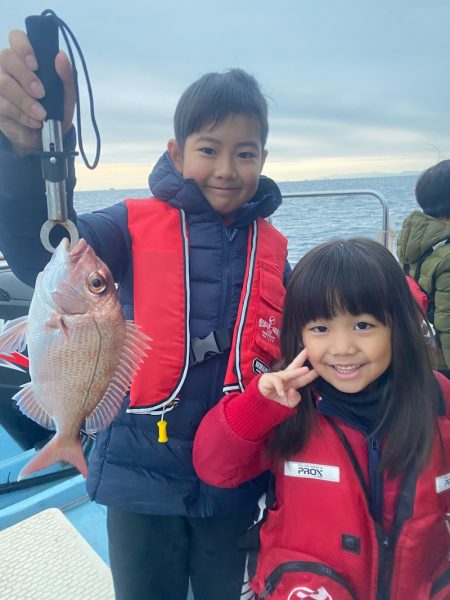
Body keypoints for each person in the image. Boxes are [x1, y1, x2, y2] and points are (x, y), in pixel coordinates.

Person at [0, 30, 291, 600]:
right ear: (177, 153)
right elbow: (44, 249)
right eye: (209, 149)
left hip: (233, 480)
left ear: (263, 158)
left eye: (245, 152)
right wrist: (24, 158)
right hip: (137, 476)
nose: (227, 168)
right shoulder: (128, 224)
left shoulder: (275, 247)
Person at [193, 238, 450, 600]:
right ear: (298, 335)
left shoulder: (439, 399)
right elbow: (214, 467)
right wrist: (256, 408)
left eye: (363, 325)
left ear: (399, 326)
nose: (342, 347)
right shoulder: (286, 404)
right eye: (320, 329)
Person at [397, 160, 450, 372]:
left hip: (421, 347)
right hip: (443, 361)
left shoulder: (416, 241)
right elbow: (448, 323)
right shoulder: (446, 256)